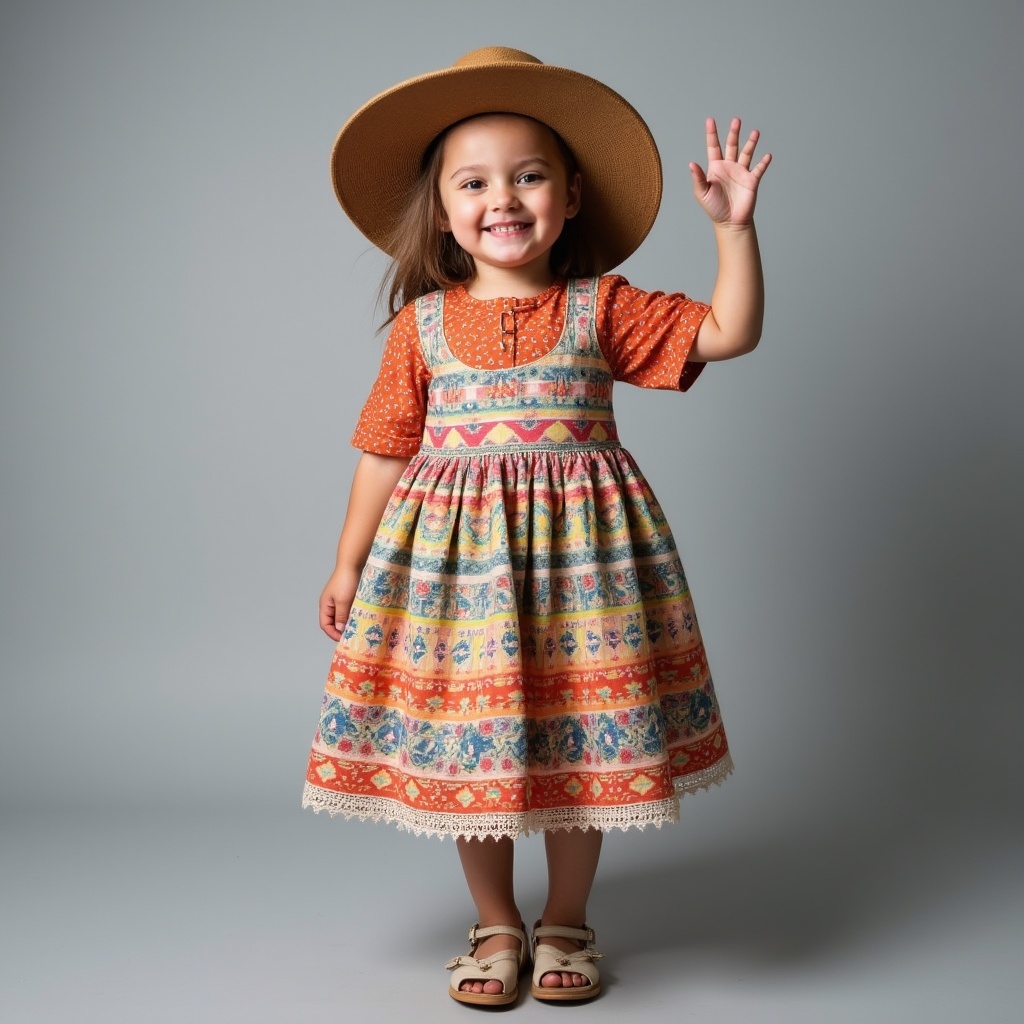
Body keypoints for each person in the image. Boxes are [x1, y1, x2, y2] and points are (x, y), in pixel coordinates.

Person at [302, 46, 770, 1006]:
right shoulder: (420, 328)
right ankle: (496, 925)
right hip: (456, 578)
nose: (501, 199)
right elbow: (384, 453)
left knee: (579, 742)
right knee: (468, 745)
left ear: (572, 193)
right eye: (472, 182)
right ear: (442, 210)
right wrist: (347, 564)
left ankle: (565, 921)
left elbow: (729, 333)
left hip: (585, 574)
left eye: (527, 176)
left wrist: (733, 231)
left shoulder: (603, 308)